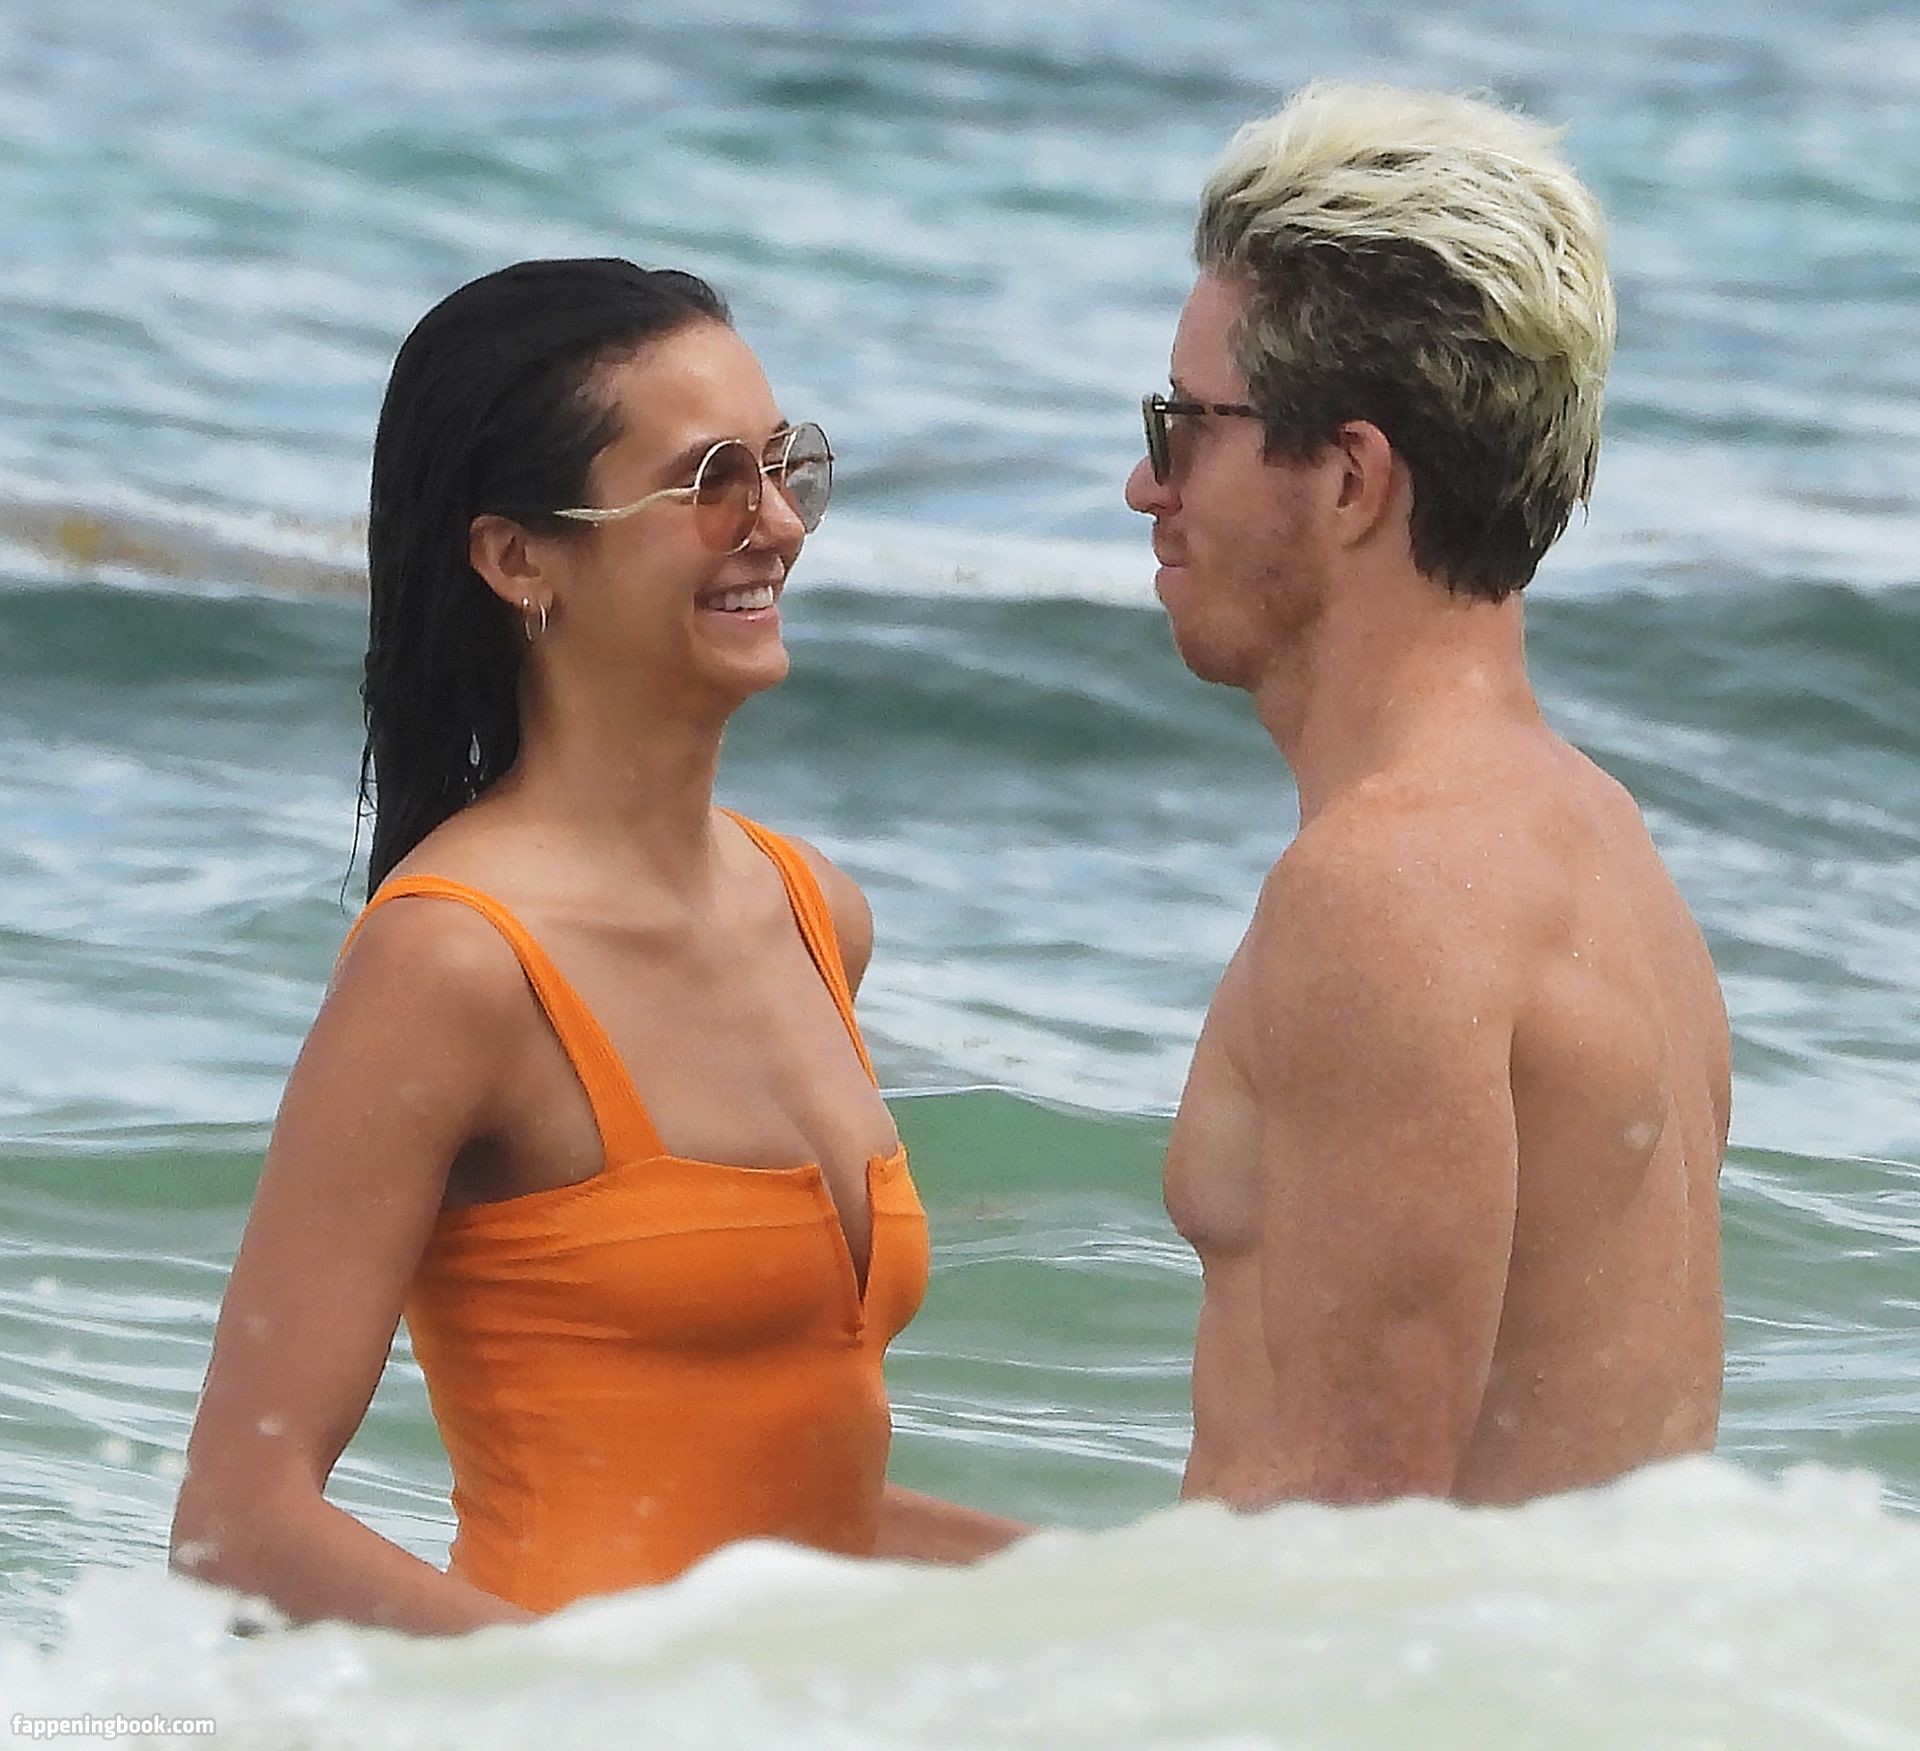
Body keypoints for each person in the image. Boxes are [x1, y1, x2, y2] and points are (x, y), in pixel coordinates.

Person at [171, 259, 1021, 1634]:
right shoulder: (454, 963)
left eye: (786, 464)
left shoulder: (815, 913)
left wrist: (1157, 1602)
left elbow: (793, 1513)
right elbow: (239, 1526)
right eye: (711, 482)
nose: (778, 523)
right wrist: (616, 1714)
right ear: (518, 559)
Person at [1124, 85, 1730, 1508]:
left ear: (1350, 479)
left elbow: (1352, 1548)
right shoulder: (1594, 837)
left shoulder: (1385, 893)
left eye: (1182, 426)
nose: (1145, 486)